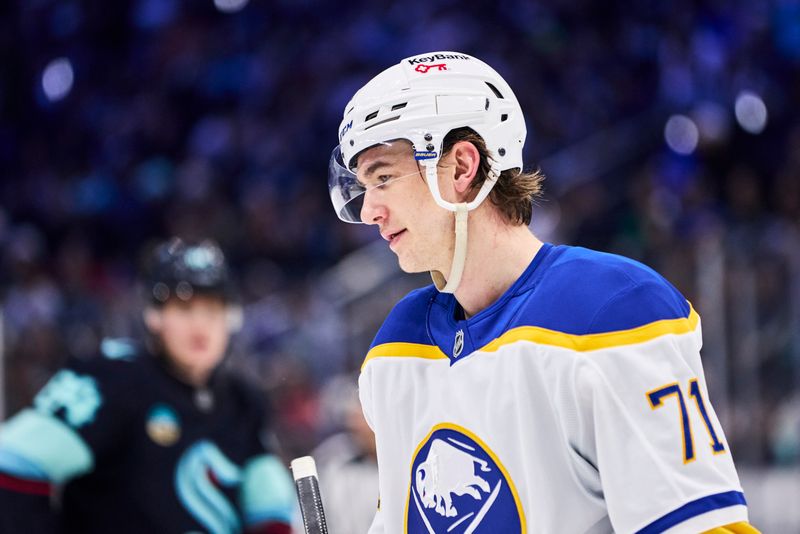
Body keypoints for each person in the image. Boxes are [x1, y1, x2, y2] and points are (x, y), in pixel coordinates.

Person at [327, 51, 758, 533]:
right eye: (364, 186)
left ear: (462, 167)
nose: (369, 211)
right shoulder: (395, 349)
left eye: (383, 177)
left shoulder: (613, 310)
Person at [0, 238, 295, 533]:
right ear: (154, 316)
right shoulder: (111, 379)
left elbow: (270, 512)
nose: (199, 325)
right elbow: (12, 460)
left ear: (232, 319)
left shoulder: (243, 402)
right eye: (184, 309)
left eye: (212, 310)